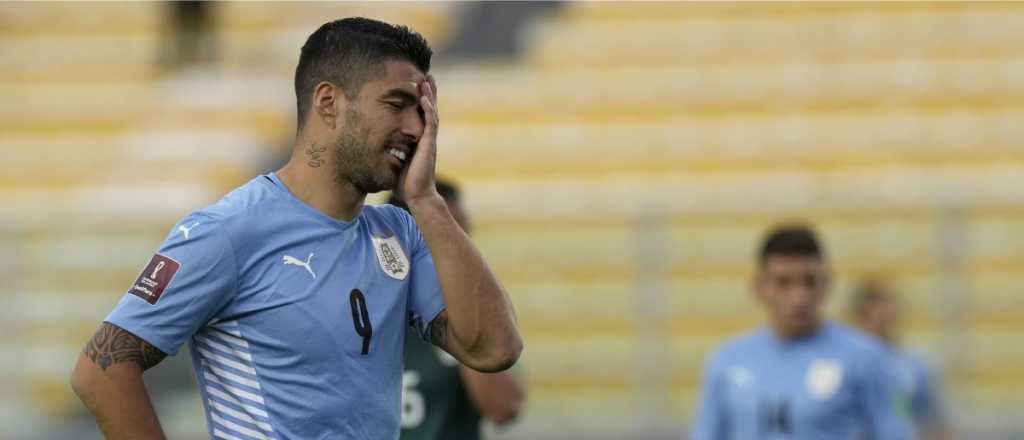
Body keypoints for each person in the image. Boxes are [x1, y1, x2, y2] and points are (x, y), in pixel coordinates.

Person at [70, 17, 523, 440]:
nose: (415, 128)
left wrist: (427, 201)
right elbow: (102, 370)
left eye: (422, 111)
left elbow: (493, 350)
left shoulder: (399, 232)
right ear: (328, 102)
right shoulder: (230, 230)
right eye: (396, 104)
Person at [689, 225, 911, 440]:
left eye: (809, 281)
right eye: (784, 283)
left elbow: (893, 431)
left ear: (826, 284)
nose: (798, 297)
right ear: (759, 287)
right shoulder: (728, 360)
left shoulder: (866, 357)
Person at [388, 180, 526, 439]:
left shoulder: (476, 316)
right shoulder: (362, 308)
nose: (460, 248)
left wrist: (461, 316)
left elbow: (504, 408)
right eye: (444, 235)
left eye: (463, 234)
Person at [849, 281, 954, 440]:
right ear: (859, 317)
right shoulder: (844, 365)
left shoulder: (914, 365)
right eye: (873, 317)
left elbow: (934, 421)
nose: (880, 323)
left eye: (886, 316)